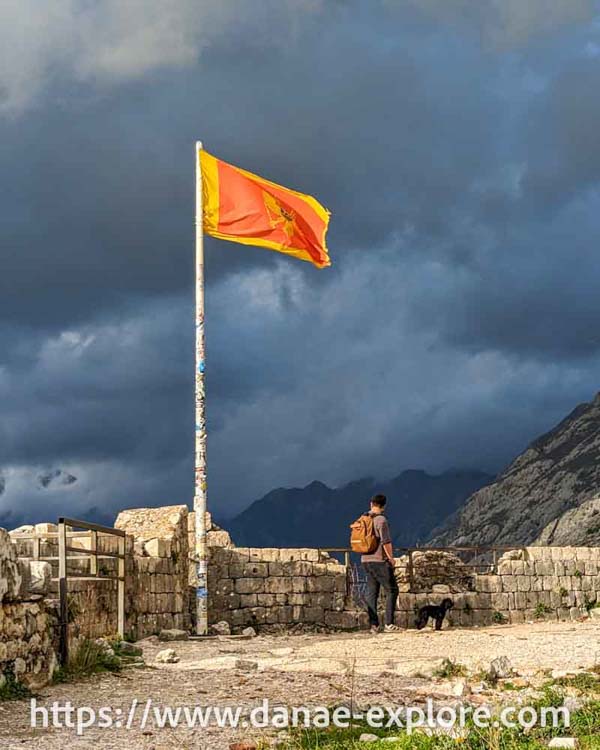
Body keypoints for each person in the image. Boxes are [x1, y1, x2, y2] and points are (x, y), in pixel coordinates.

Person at [361, 494, 399, 633]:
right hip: (379, 561)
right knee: (392, 590)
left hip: (365, 560)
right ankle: (389, 623)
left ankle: (374, 625)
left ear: (371, 504)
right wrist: (391, 558)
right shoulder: (381, 520)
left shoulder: (364, 518)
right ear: (384, 506)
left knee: (372, 592)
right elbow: (386, 542)